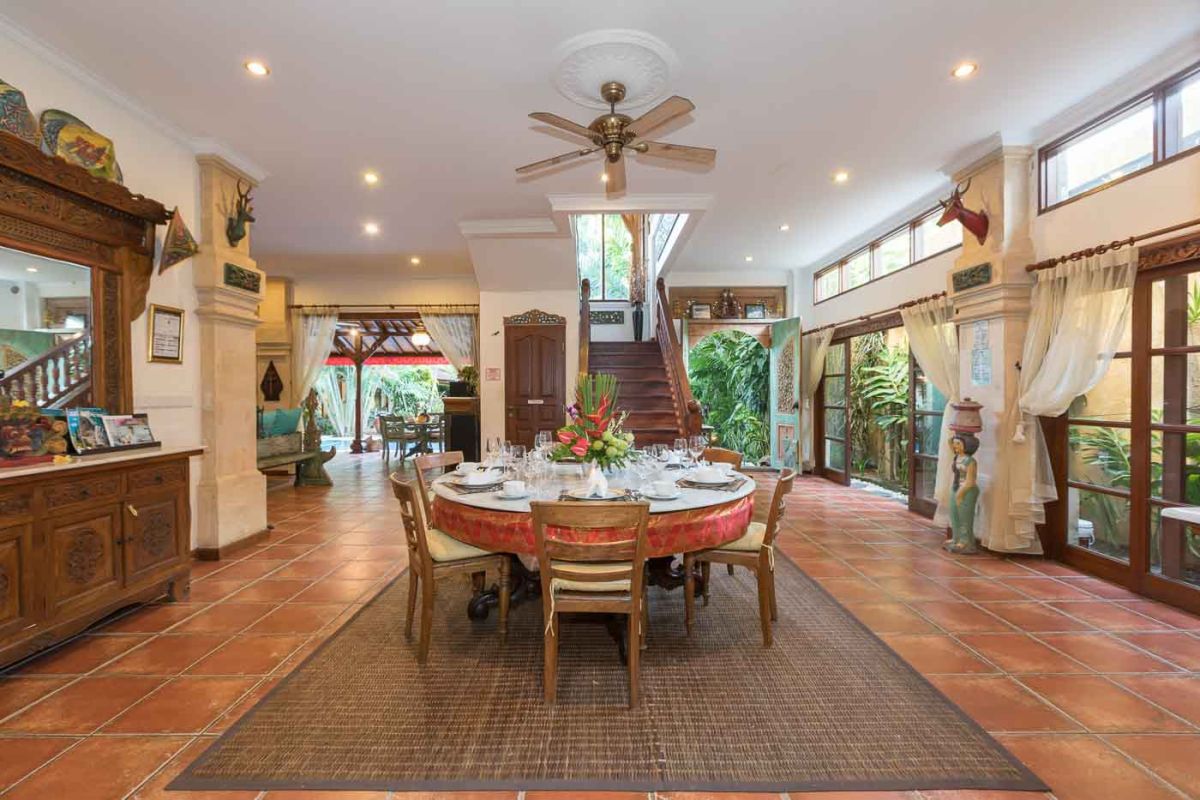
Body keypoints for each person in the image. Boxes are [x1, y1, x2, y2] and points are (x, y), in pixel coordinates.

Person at [946, 432, 980, 554]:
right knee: (954, 514)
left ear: (967, 446)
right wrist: (957, 434)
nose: (955, 446)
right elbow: (949, 441)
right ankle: (956, 538)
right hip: (956, 487)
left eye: (958, 444)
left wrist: (960, 494)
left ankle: (966, 541)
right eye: (955, 444)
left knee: (965, 517)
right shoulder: (957, 457)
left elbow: (970, 481)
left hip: (966, 490)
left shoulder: (970, 461)